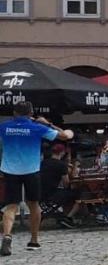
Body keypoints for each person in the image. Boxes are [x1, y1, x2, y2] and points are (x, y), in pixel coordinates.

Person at [1, 102, 75, 255]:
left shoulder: (4, 126)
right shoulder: (37, 127)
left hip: (10, 170)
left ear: (14, 113)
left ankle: (7, 236)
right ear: (31, 113)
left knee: (11, 207)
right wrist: (48, 123)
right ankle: (34, 240)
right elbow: (66, 136)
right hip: (31, 170)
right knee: (34, 205)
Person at [39, 142, 82, 227]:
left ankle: (63, 215)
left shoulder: (43, 163)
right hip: (52, 194)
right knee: (78, 194)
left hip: (40, 193)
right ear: (62, 153)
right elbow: (66, 183)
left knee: (67, 194)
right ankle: (67, 217)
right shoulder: (61, 165)